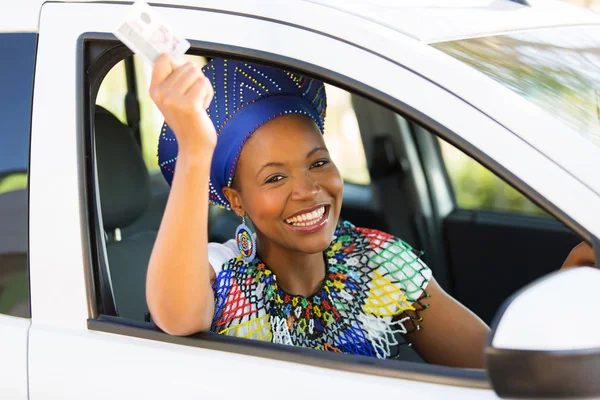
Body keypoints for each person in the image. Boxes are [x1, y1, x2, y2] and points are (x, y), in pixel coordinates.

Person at [145, 54, 596, 369]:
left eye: (318, 162)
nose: (308, 190)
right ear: (236, 199)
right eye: (274, 178)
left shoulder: (380, 264)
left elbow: (488, 366)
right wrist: (196, 150)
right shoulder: (217, 273)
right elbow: (179, 316)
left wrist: (563, 293)